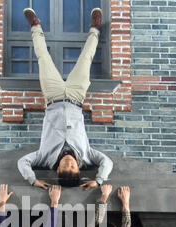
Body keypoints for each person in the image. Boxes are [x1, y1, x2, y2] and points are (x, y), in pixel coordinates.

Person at [17, 8, 113, 190]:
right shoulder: (87, 155)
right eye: (73, 166)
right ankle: (95, 28)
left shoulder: (44, 157)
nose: (69, 162)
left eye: (65, 167)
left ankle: (35, 26)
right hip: (76, 97)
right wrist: (99, 180)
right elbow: (106, 162)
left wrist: (32, 179)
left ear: (58, 170)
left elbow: (23, 161)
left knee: (42, 58)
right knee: (86, 58)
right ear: (79, 167)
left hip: (52, 96)